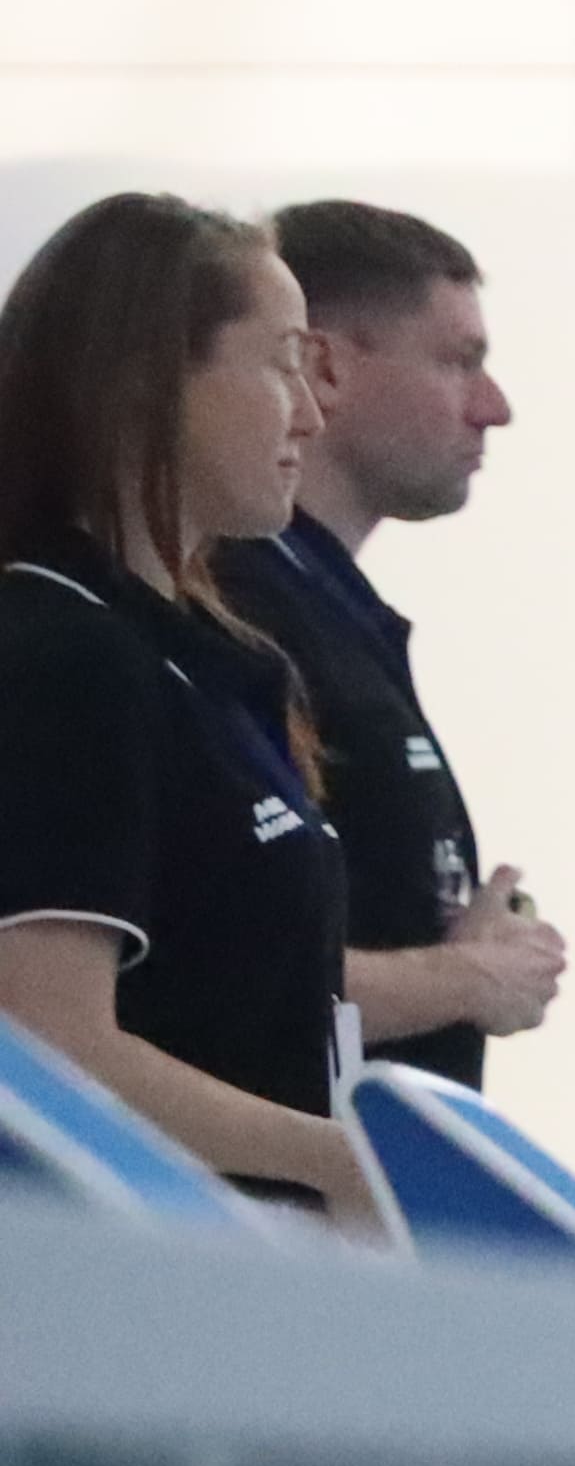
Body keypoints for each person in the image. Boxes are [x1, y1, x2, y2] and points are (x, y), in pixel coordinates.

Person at [0, 194, 365, 1216]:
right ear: (148, 382)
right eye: (283, 360)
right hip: (138, 1296)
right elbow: (47, 1042)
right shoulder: (60, 654)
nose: (311, 410)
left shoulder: (204, 657)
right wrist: (343, 1162)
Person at [228, 200, 559, 1091]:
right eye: (459, 362)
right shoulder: (235, 622)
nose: (495, 408)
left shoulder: (326, 612)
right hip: (269, 1207)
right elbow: (204, 967)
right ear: (325, 368)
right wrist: (464, 979)